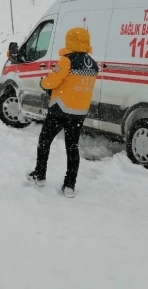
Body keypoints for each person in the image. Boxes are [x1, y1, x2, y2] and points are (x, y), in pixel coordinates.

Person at [27, 27, 98, 198]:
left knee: (45, 141)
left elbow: (52, 81)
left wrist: (43, 83)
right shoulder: (93, 64)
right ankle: (70, 185)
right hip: (79, 112)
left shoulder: (67, 61)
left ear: (70, 41)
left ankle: (39, 174)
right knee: (72, 148)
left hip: (61, 109)